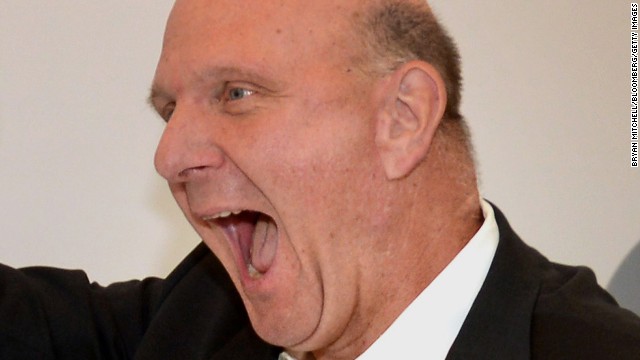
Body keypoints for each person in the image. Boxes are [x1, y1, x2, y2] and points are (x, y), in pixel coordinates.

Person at [1, 0, 639, 359]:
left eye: (236, 93)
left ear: (403, 117)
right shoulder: (198, 317)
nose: (169, 155)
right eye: (170, 110)